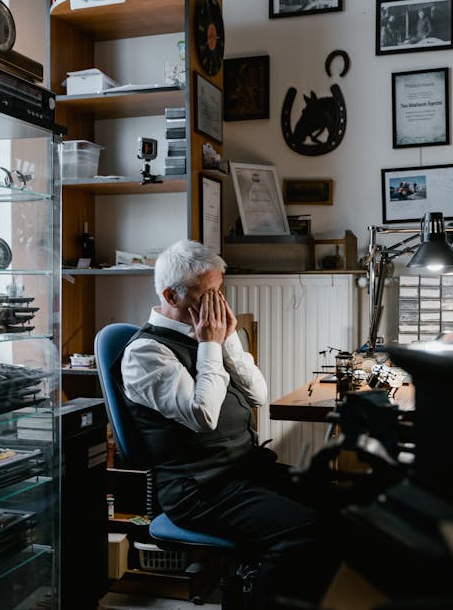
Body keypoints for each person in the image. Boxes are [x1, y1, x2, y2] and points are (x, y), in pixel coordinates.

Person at [119, 239, 338, 609]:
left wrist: (229, 340)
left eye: (220, 293)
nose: (218, 305)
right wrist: (210, 345)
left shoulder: (210, 337)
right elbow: (203, 416)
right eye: (207, 295)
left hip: (243, 470)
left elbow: (258, 394)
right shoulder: (145, 353)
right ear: (171, 296)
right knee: (304, 533)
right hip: (200, 489)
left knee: (338, 504)